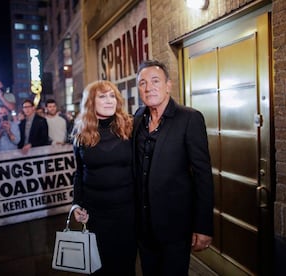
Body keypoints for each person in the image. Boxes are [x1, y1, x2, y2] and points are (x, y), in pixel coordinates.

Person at [133, 60, 214, 276]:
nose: (149, 87)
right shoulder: (136, 119)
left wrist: (203, 226)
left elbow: (203, 175)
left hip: (176, 227)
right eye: (142, 83)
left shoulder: (189, 118)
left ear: (168, 85)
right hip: (143, 228)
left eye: (155, 81)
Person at [71, 80, 136, 275]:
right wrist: (76, 204)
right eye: (102, 96)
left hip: (127, 212)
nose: (109, 100)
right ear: (91, 102)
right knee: (99, 268)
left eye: (112, 96)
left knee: (125, 267)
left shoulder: (130, 126)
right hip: (96, 213)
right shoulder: (81, 132)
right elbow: (79, 172)